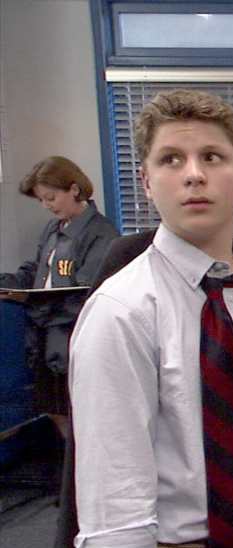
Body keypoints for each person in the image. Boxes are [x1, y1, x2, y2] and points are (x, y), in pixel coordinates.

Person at [69, 89, 233, 548]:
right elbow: (112, 502)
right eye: (171, 159)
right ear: (146, 181)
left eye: (212, 156)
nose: (194, 174)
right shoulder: (121, 312)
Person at [0, 156, 118, 438]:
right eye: (42, 200)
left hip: (72, 336)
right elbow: (36, 270)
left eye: (51, 197)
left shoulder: (102, 233)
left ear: (74, 190)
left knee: (78, 409)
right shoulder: (53, 229)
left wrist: (38, 304)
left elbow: (89, 291)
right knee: (54, 408)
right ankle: (68, 461)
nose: (47, 206)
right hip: (43, 333)